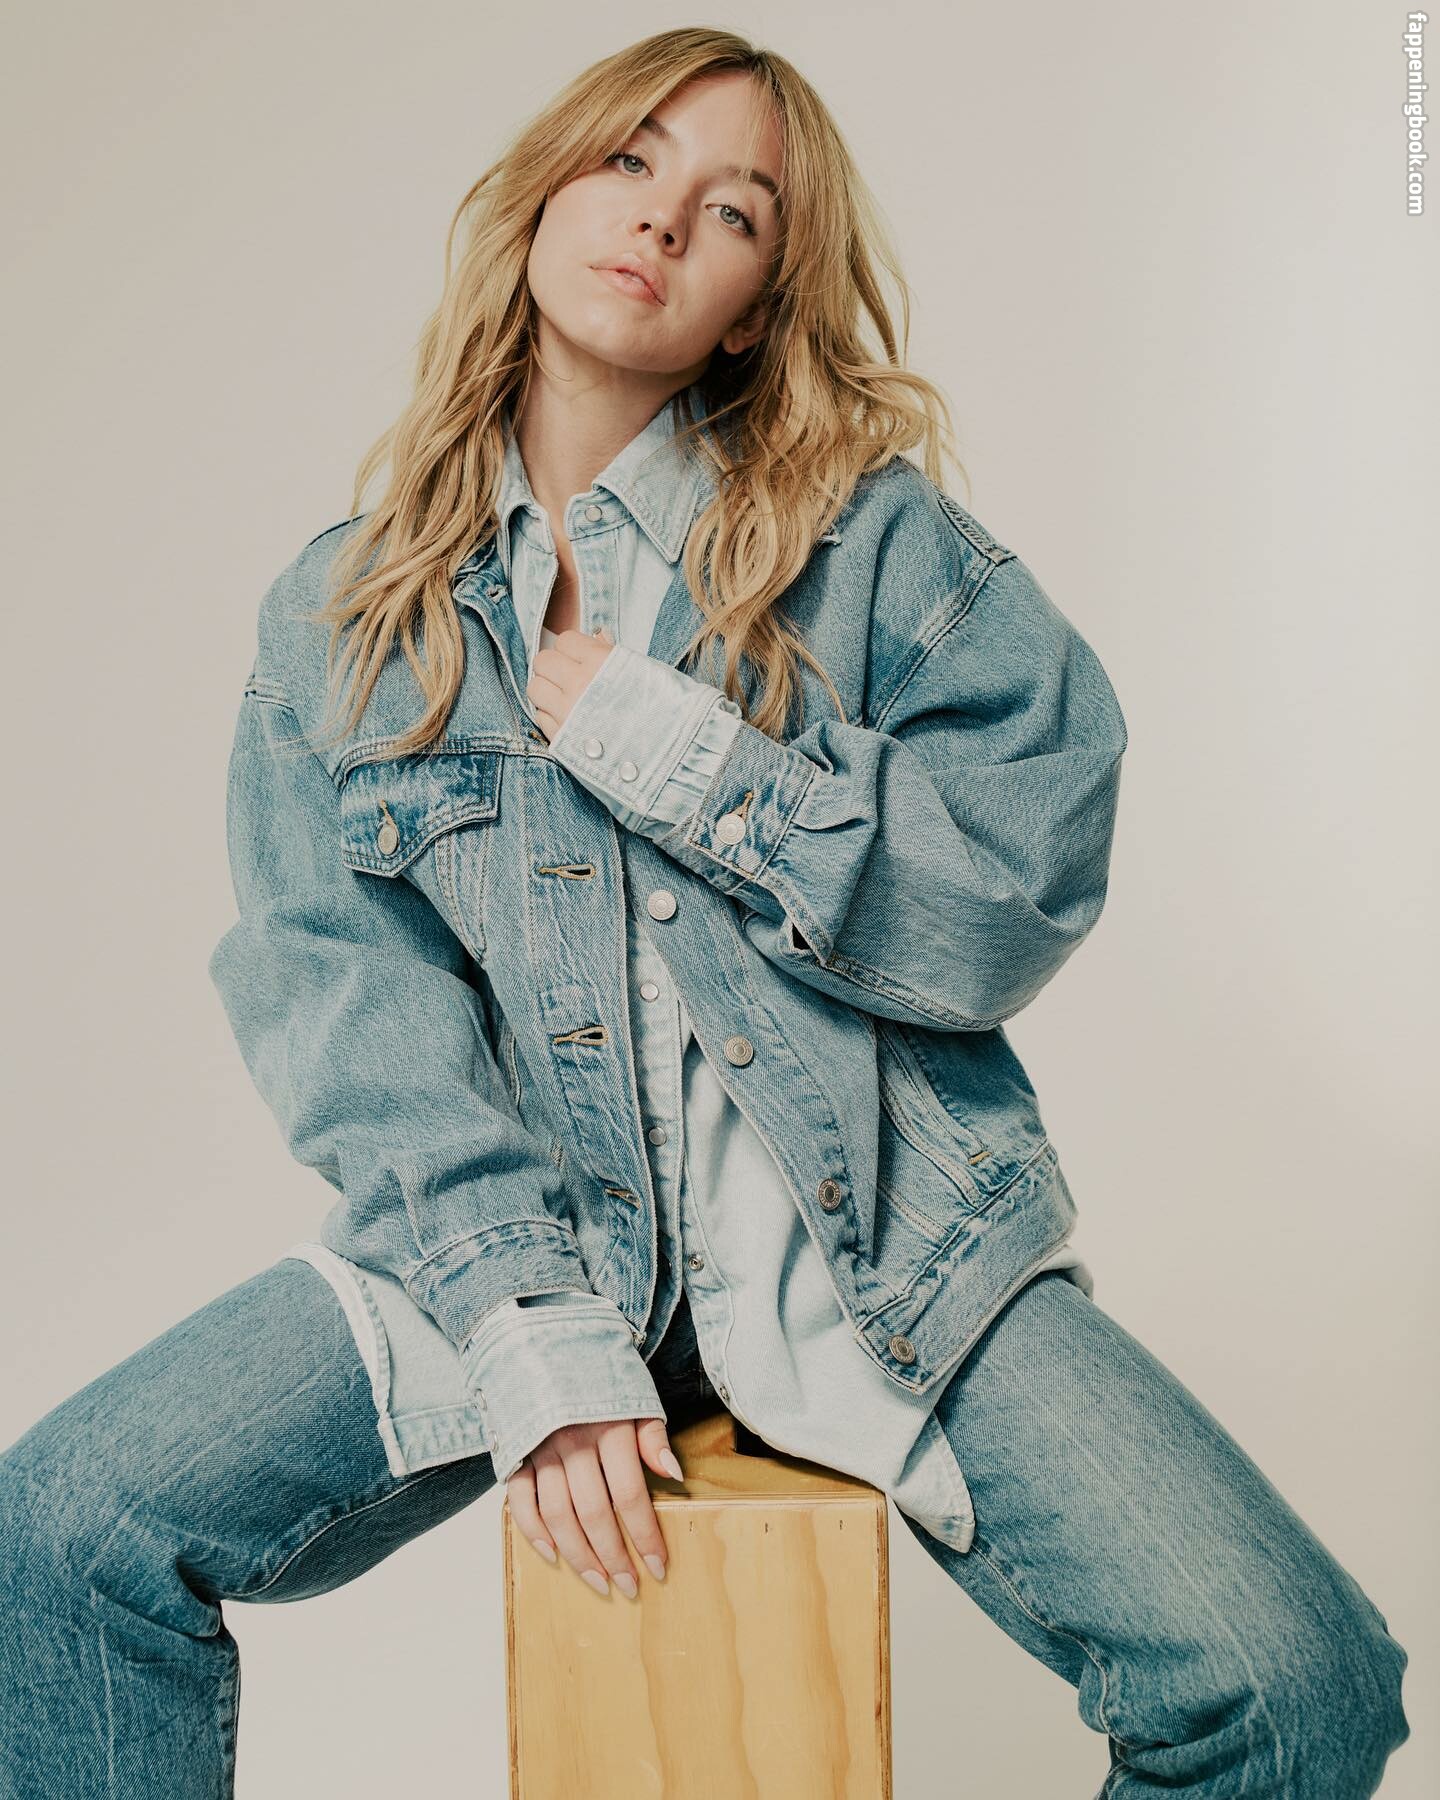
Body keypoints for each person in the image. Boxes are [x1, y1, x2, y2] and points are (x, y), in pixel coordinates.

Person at [0, 26, 1410, 1797]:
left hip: (882, 1248)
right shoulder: (346, 616)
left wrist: (695, 761)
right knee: (63, 1531)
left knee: (1293, 1683)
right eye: (630, 161)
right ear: (545, 195)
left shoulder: (874, 548)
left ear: (754, 309)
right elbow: (344, 999)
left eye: (732, 210)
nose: (663, 219)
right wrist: (525, 1314)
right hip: (507, 1251)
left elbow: (1018, 887)